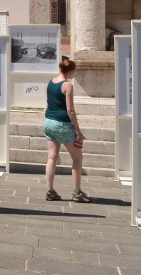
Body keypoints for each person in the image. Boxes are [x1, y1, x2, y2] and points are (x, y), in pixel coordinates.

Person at [44, 59, 91, 202]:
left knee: (52, 157)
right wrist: (79, 132)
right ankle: (77, 192)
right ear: (71, 71)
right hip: (62, 123)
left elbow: (48, 102)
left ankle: (50, 191)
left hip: (48, 122)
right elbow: (70, 110)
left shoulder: (51, 82)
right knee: (77, 158)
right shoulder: (67, 85)